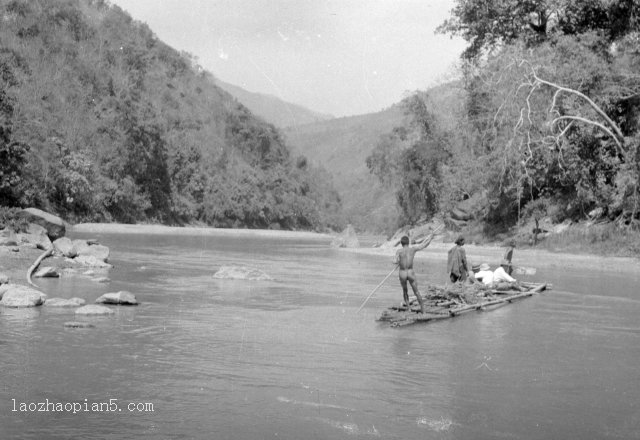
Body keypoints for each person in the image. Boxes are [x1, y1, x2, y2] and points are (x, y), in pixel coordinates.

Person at [393, 234, 434, 313]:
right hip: (410, 272)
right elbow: (423, 245)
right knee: (416, 291)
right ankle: (423, 310)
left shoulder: (399, 251)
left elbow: (395, 261)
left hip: (402, 273)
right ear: (408, 243)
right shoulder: (413, 249)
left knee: (405, 291)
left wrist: (398, 261)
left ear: (401, 244)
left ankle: (408, 308)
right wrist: (430, 238)